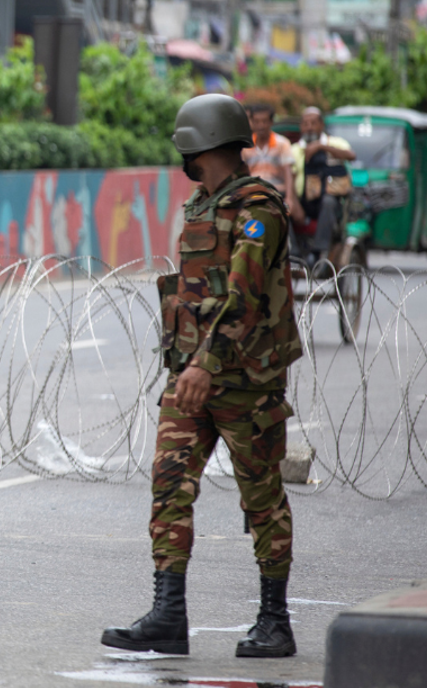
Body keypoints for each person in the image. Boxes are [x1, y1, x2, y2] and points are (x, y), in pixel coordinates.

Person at [101, 94, 303, 658]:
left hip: (243, 381)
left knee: (261, 498)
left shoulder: (258, 207)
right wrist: (190, 365)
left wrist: (206, 365)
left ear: (201, 143)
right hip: (192, 377)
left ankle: (275, 621)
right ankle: (168, 616)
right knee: (169, 485)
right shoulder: (202, 204)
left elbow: (243, 296)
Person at [291, 107, 355, 262]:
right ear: (301, 127)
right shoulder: (294, 150)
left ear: (321, 125)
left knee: (328, 202)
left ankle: (318, 252)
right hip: (304, 202)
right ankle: (293, 254)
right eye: (306, 124)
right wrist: (294, 205)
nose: (310, 127)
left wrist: (321, 146)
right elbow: (290, 178)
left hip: (328, 202)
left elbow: (351, 155)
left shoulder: (336, 142)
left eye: (313, 123)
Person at [241, 104, 301, 225]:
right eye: (257, 121)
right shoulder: (245, 146)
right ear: (251, 122)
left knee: (282, 219)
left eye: (264, 121)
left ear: (271, 122)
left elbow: (288, 171)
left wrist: (289, 198)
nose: (261, 126)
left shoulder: (282, 143)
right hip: (253, 192)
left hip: (277, 191)